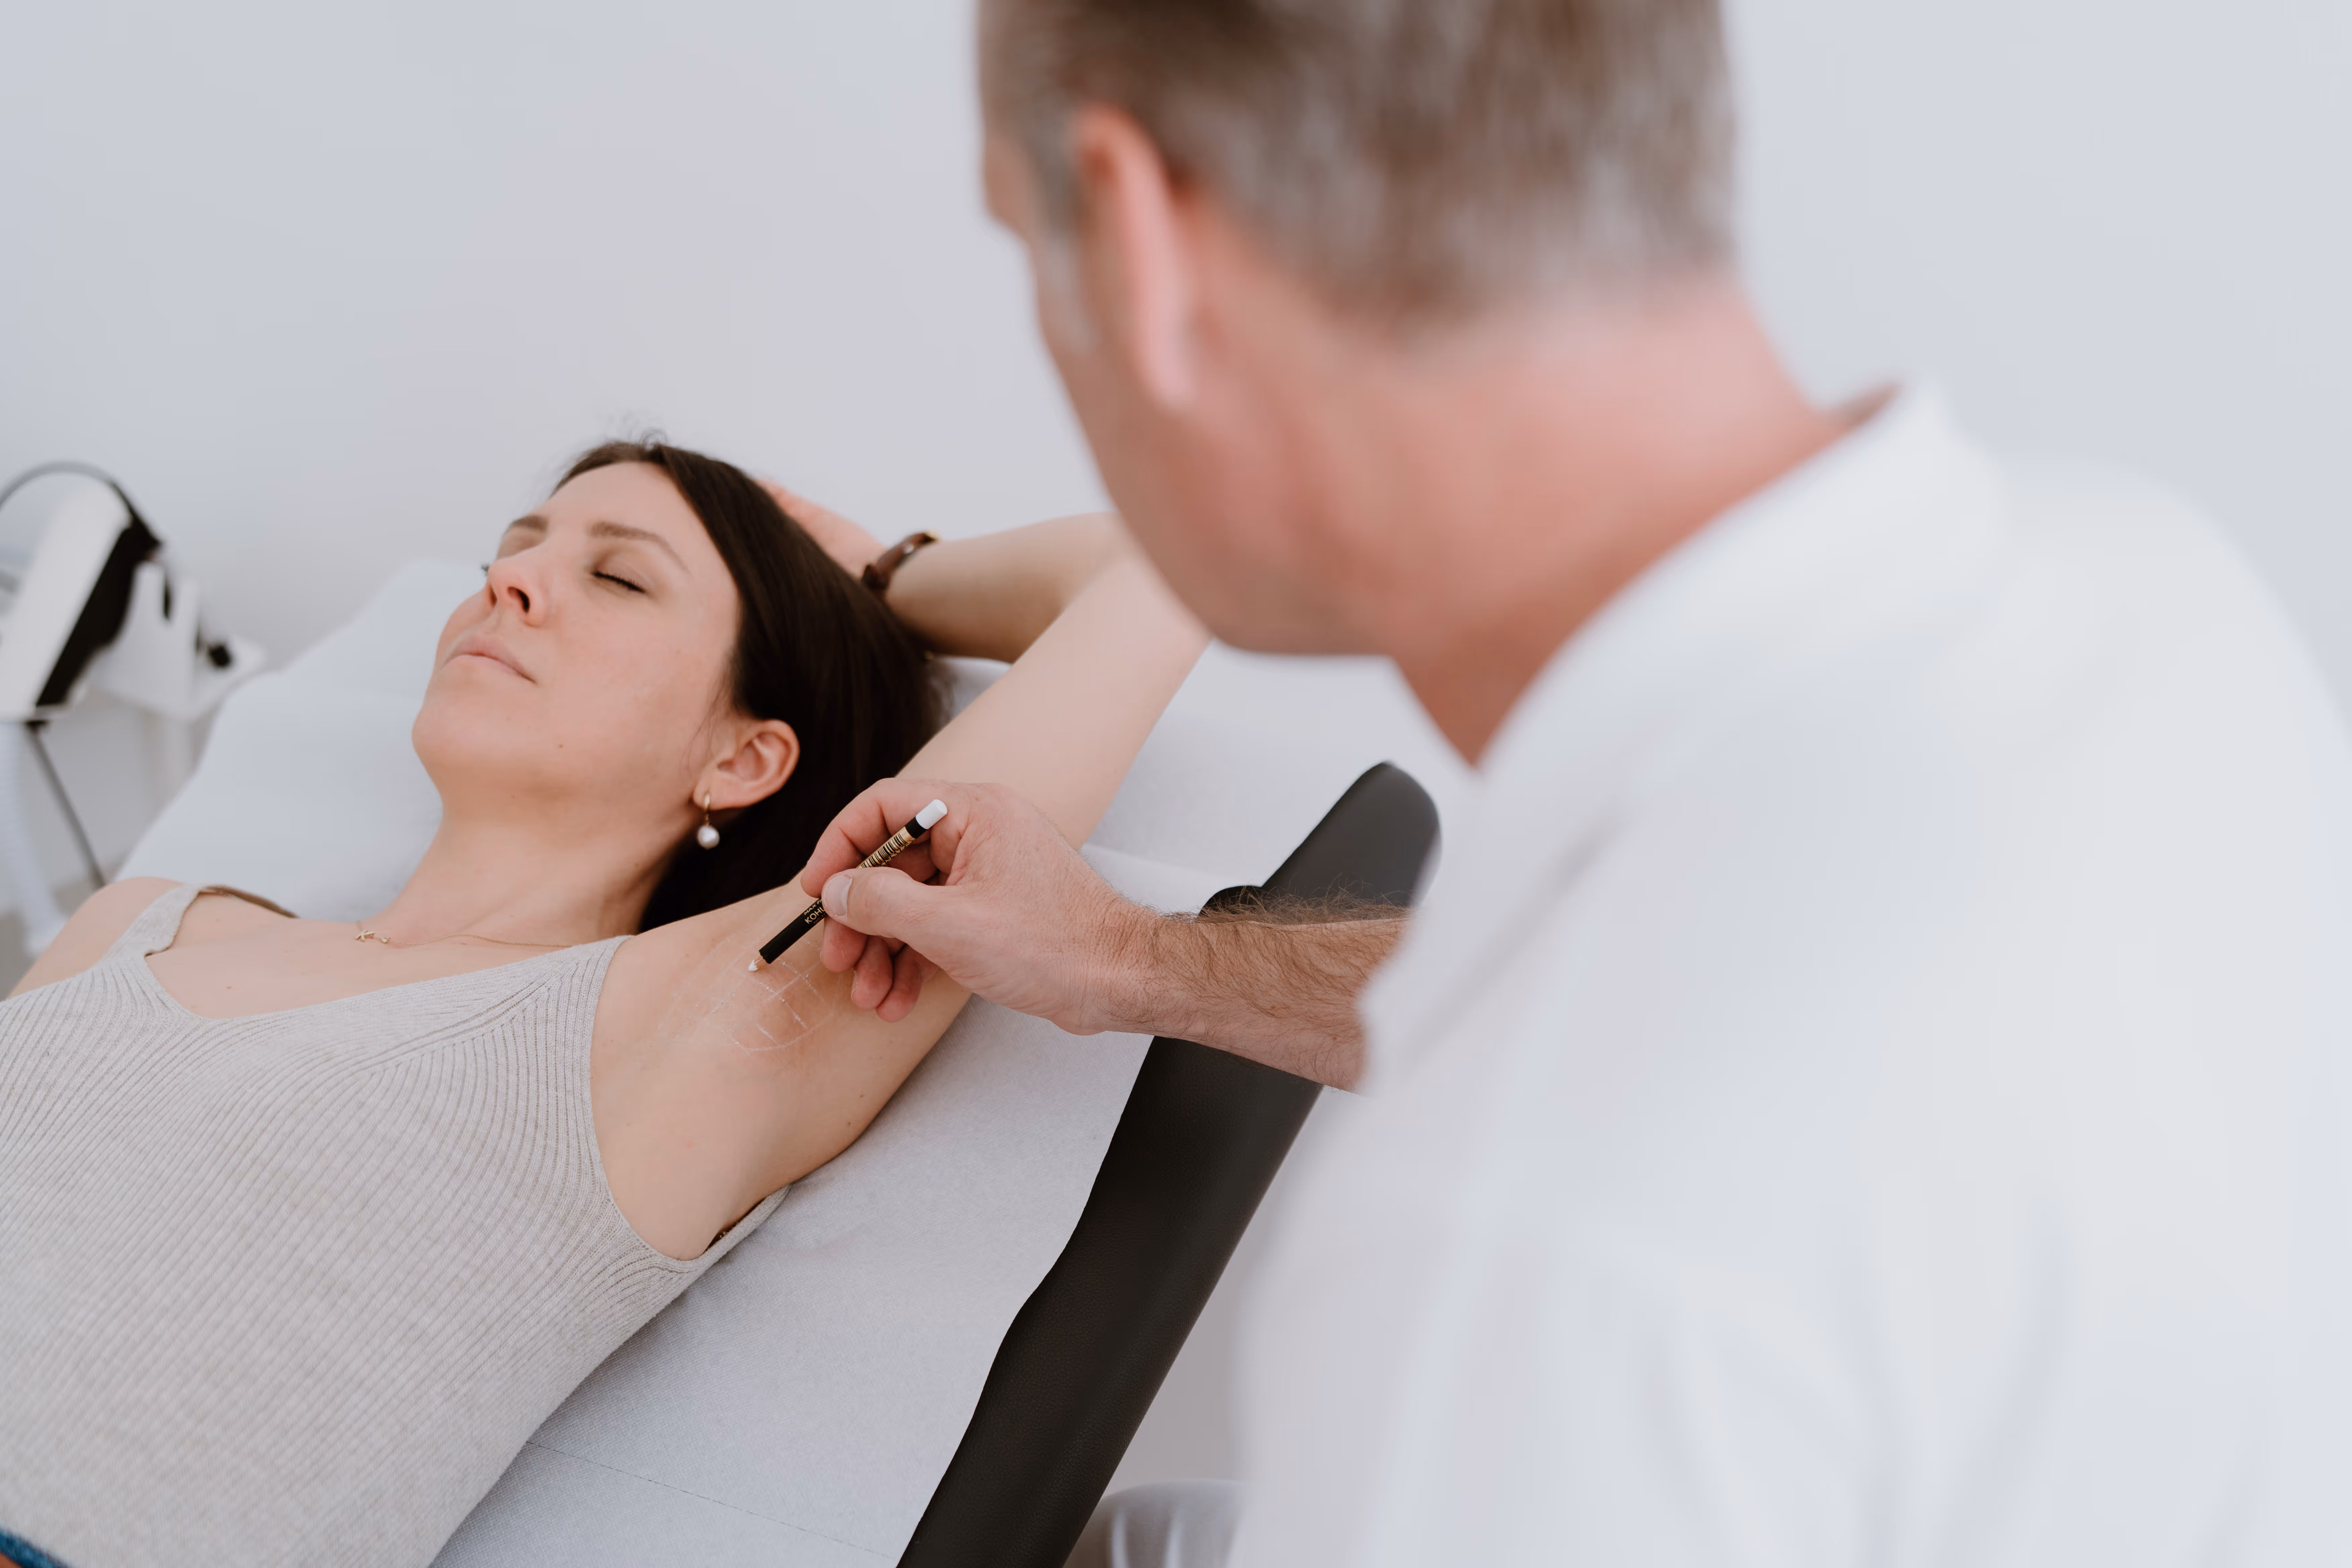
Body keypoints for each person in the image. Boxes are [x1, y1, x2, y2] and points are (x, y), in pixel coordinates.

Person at [799, 1, 2352, 1563]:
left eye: (1025, 243)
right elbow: (1735, 997)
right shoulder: (2141, 585)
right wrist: (1132, 958)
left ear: (1139, 240)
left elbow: (1637, 1144)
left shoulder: (1526, 1270)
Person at [0, 440, 1204, 1568]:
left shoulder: (697, 1024)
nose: (512, 579)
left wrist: (882, 576)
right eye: (511, 550)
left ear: (744, 758)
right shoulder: (139, 922)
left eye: (620, 578)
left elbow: (1150, 581)